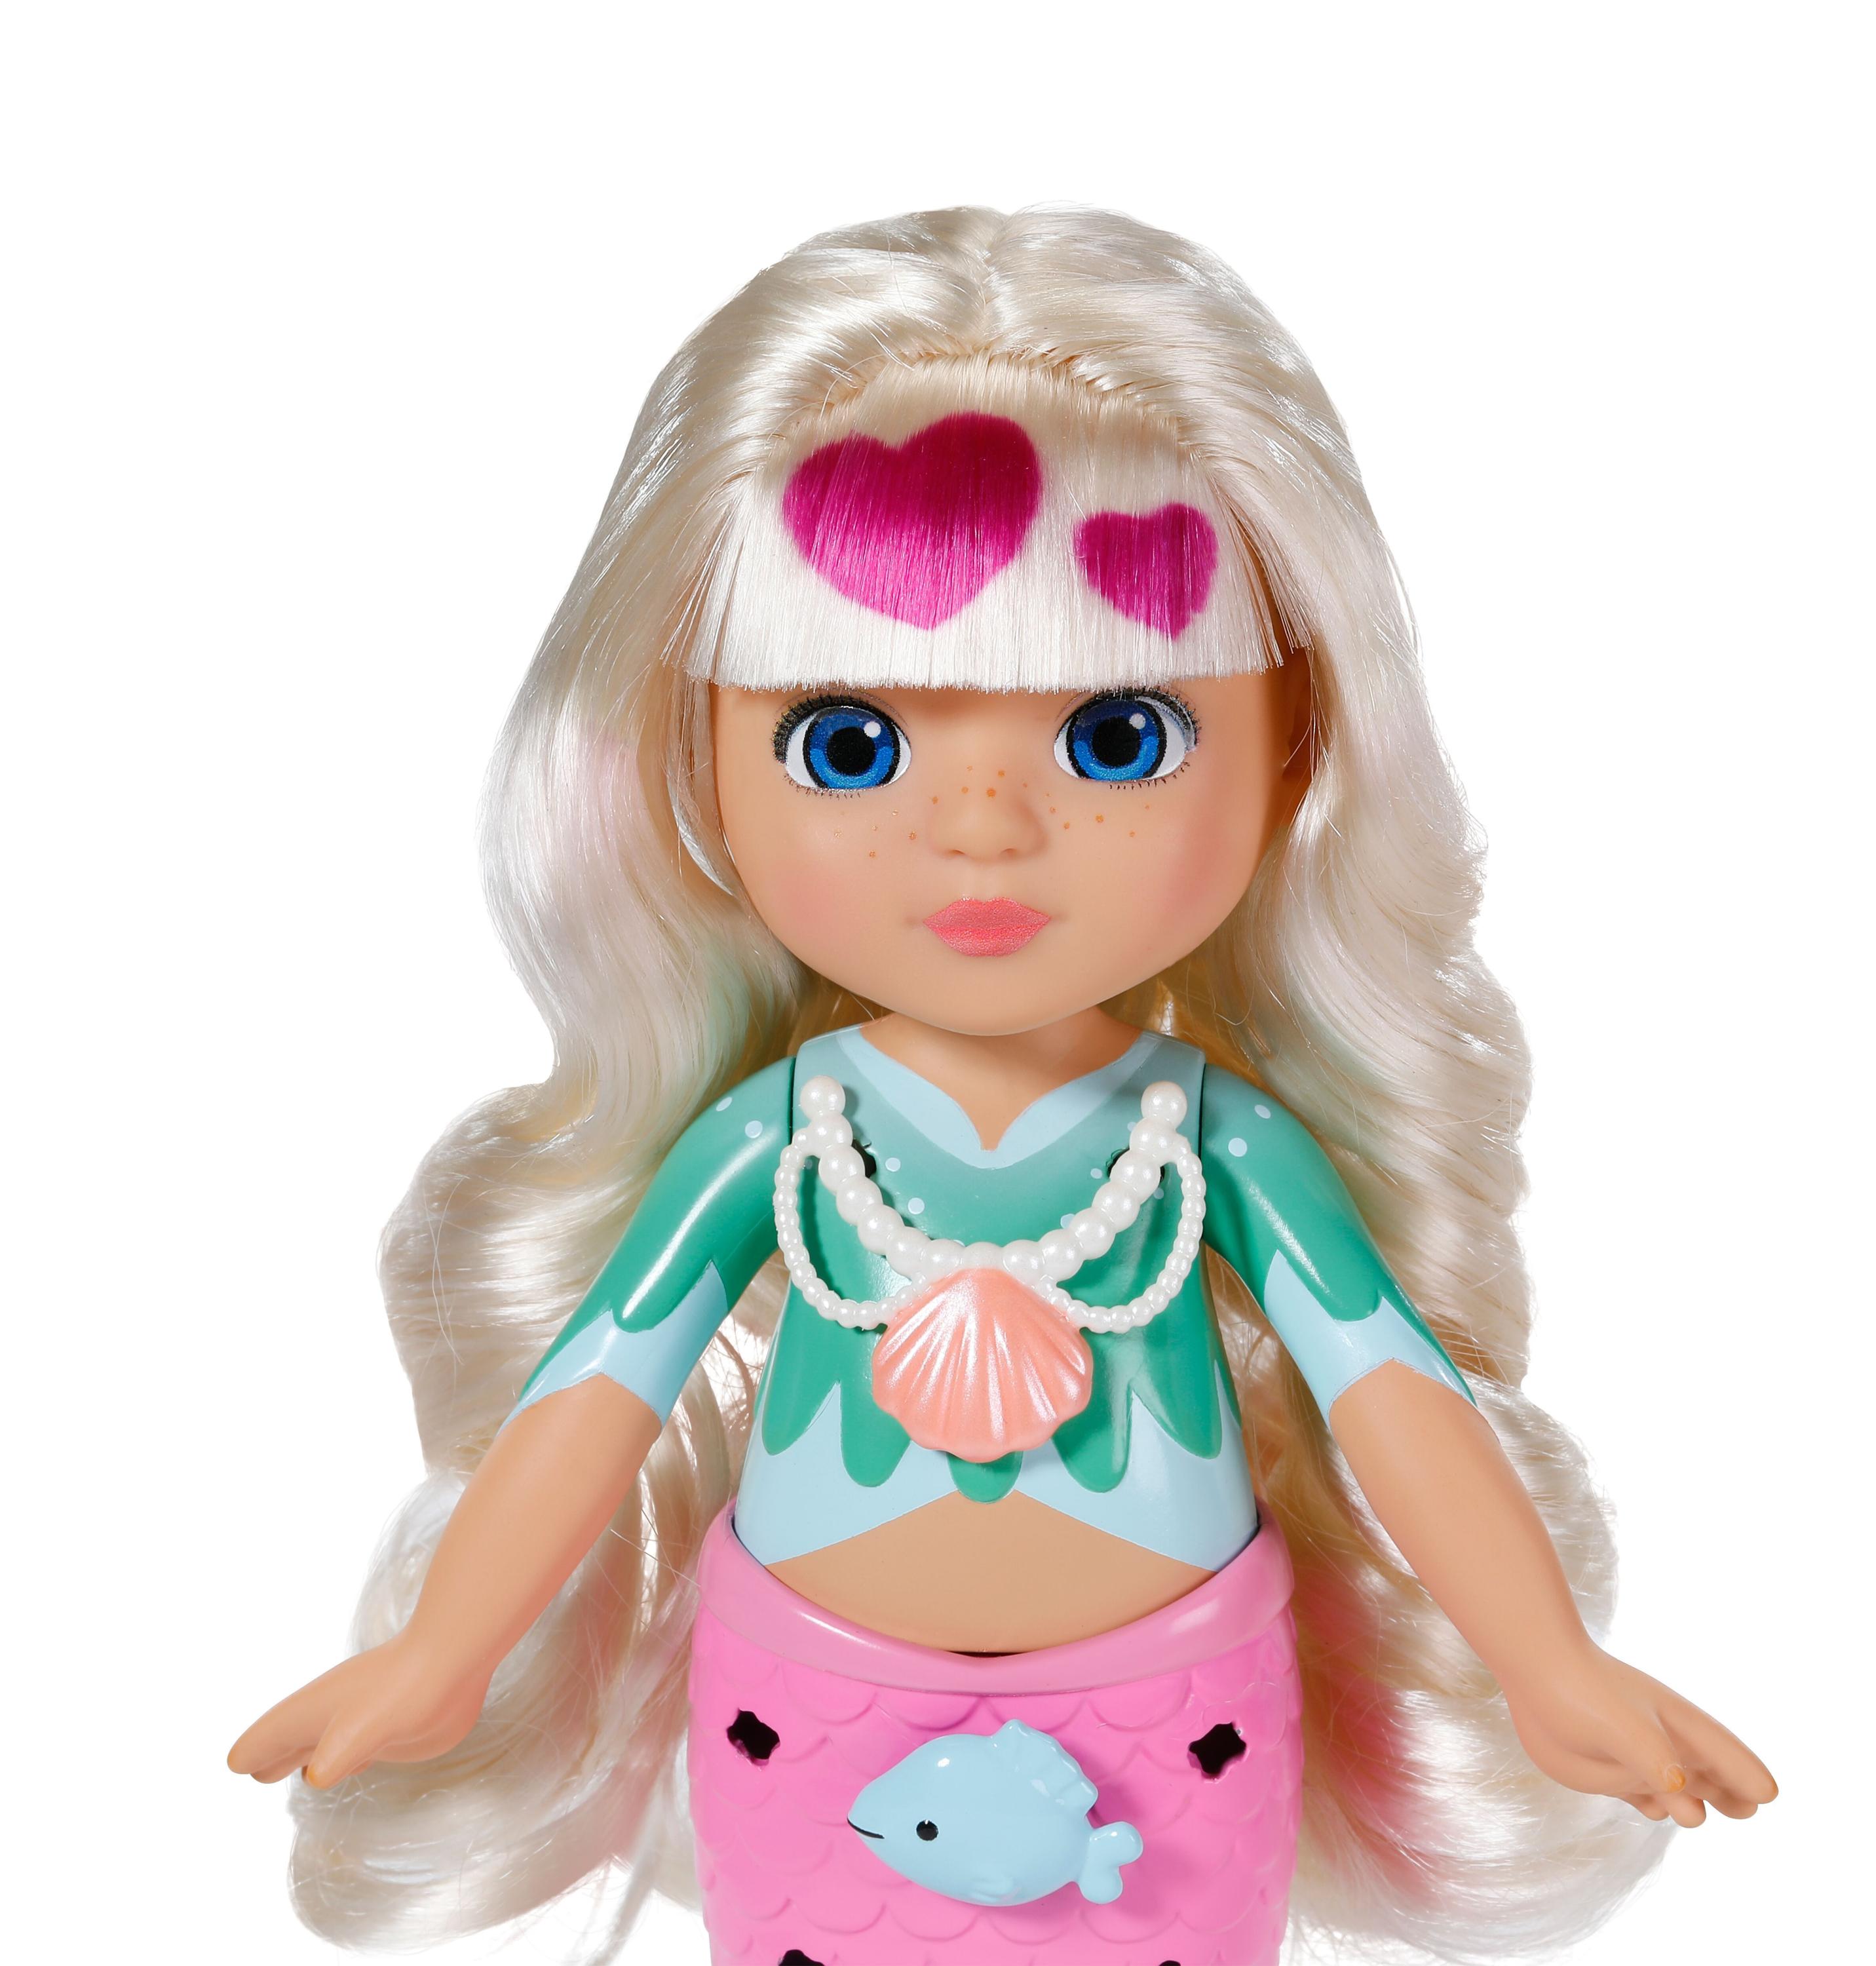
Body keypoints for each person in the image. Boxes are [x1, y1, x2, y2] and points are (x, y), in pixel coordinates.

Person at [229, 205, 1775, 1966]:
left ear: (1292, 753)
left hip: (1176, 1714)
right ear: (696, 768)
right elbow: (603, 1386)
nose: (982, 826)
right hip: (808, 1708)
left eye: (1118, 737)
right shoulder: (780, 1138)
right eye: (849, 744)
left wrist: (1547, 1664)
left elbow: (1392, 1392)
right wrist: (449, 1652)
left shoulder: (1214, 1141)